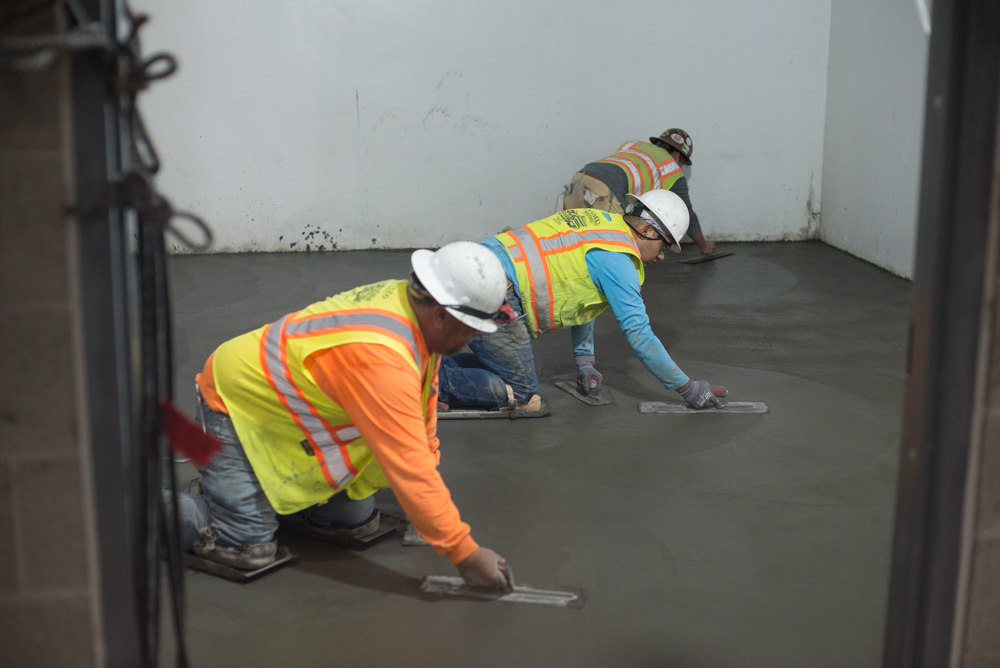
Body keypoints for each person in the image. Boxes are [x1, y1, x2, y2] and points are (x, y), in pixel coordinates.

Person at [168, 242, 516, 590]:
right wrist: (465, 554)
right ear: (442, 315)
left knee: (350, 518)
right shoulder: (382, 356)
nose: (472, 339)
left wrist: (431, 464)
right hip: (238, 402)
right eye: (471, 329)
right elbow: (408, 465)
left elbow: (425, 397)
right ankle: (149, 502)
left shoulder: (414, 309)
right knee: (246, 546)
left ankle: (240, 489)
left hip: (290, 411)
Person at [438, 189, 727, 412]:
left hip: (471, 267)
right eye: (663, 245)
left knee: (494, 369)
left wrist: (584, 361)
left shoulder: (603, 224)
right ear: (649, 230)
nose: (662, 256)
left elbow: (584, 301)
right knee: (521, 391)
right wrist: (688, 389)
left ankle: (421, 365)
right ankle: (420, 383)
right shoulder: (620, 260)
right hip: (495, 293)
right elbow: (640, 335)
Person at [561, 128, 718, 255]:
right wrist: (704, 245)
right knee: (614, 253)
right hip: (605, 191)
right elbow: (687, 214)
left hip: (579, 179)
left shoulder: (634, 145)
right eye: (683, 163)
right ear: (677, 156)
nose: (680, 167)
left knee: (576, 247)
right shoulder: (672, 171)